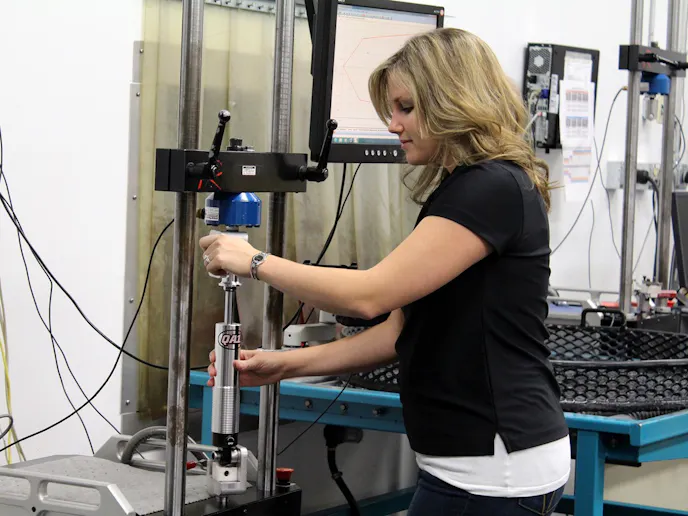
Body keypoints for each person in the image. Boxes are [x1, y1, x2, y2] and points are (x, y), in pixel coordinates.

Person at [200, 27, 570, 516]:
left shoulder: (490, 188)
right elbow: (400, 331)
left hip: (492, 471)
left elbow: (370, 295)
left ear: (453, 100)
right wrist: (282, 365)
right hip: (479, 464)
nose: (394, 124)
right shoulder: (468, 189)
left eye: (406, 108)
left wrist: (253, 261)